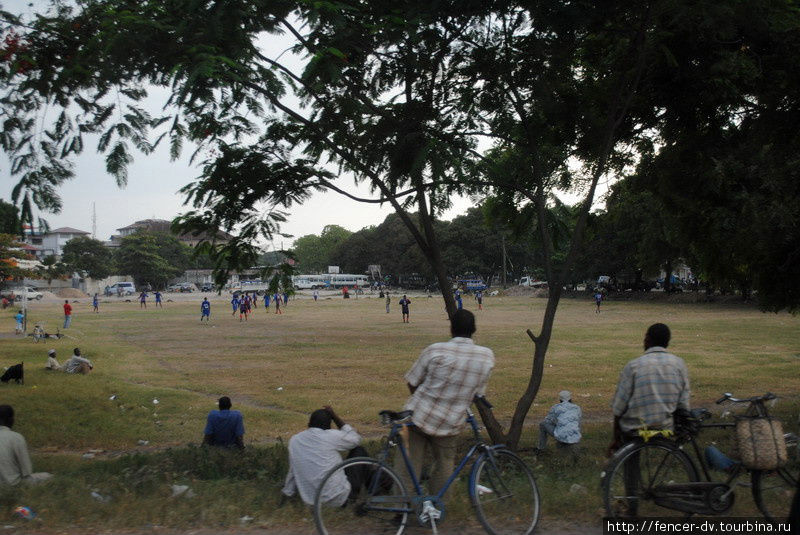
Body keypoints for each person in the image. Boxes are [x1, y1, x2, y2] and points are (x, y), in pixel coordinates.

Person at [399, 309, 494, 498]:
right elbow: (478, 393)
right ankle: (437, 505)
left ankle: (401, 508)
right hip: (451, 421)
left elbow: (412, 381)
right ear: (474, 329)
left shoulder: (435, 350)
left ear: (451, 328)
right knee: (445, 465)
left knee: (408, 466)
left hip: (419, 416)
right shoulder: (486, 357)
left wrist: (424, 399)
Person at [610, 323, 689, 451]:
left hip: (635, 429)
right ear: (667, 343)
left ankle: (632, 469)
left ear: (647, 339)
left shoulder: (633, 366)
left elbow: (618, 408)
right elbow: (683, 404)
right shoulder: (679, 365)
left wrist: (615, 438)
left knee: (630, 457)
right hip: (666, 428)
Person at [281, 406, 365, 506]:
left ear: (309, 424)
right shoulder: (330, 435)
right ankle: (377, 491)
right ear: (328, 427)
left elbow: (293, 471)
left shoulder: (295, 440)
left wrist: (287, 494)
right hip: (339, 499)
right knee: (359, 451)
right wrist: (335, 417)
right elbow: (356, 439)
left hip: (313, 502)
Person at [0, 406, 52, 485]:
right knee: (48, 476)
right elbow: (27, 471)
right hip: (13, 483)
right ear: (10, 420)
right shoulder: (16, 437)